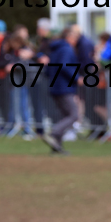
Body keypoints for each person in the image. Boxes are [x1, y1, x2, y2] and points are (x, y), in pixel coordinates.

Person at [41, 26, 80, 155]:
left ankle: (56, 147)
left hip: (55, 86)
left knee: (65, 115)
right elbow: (64, 66)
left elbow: (48, 69)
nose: (76, 41)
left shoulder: (54, 49)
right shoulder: (66, 49)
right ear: (69, 37)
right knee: (74, 115)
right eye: (75, 37)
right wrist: (76, 78)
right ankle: (53, 133)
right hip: (64, 86)